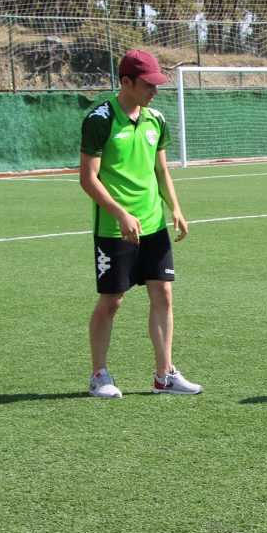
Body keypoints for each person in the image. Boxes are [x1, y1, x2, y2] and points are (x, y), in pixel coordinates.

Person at [79, 49, 202, 397]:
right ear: (126, 82)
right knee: (112, 301)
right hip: (114, 228)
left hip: (153, 224)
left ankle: (165, 375)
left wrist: (175, 208)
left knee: (163, 293)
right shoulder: (99, 119)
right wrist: (120, 213)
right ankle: (98, 374)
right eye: (148, 84)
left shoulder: (156, 119)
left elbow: (160, 169)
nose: (155, 91)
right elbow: (88, 179)